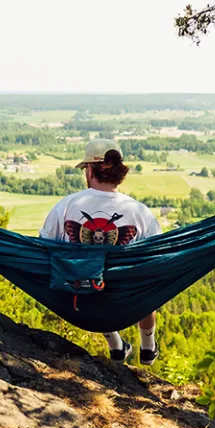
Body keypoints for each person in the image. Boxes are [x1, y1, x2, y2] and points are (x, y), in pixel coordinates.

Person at [39, 138, 162, 364]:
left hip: (83, 298)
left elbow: (43, 247)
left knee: (86, 278)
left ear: (89, 170)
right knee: (148, 283)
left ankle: (116, 346)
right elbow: (157, 257)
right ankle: (148, 345)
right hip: (128, 300)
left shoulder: (66, 206)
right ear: (119, 171)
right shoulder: (139, 212)